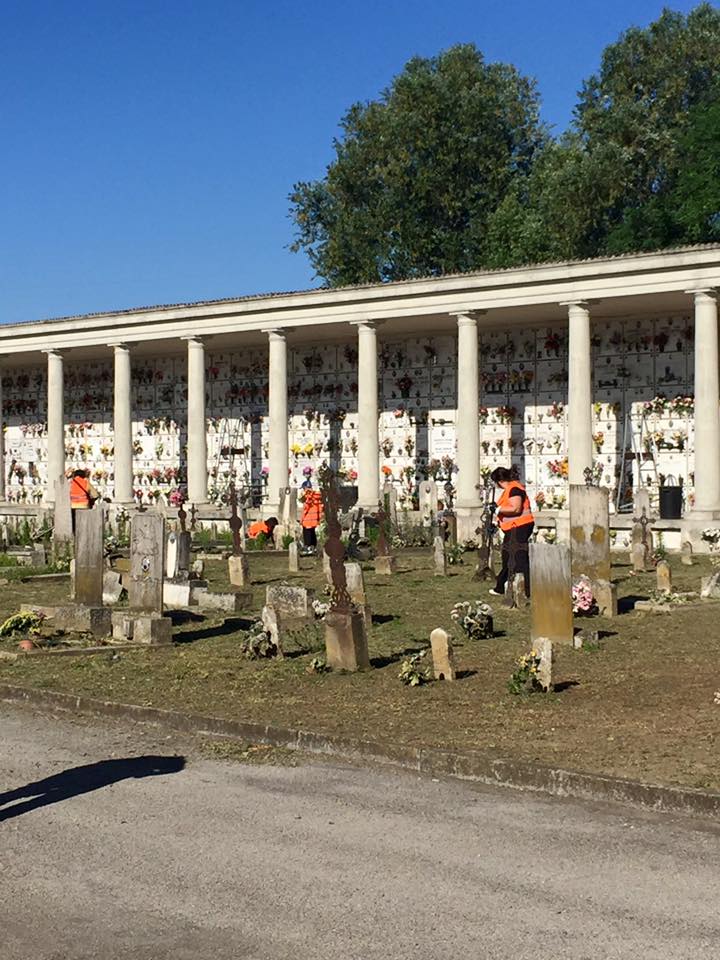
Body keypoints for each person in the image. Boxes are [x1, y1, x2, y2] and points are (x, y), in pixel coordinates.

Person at [488, 466, 535, 597]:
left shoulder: (515, 489)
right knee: (508, 556)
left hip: (520, 526)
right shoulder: (510, 489)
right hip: (515, 527)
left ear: (499, 480)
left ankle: (525, 589)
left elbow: (515, 508)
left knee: (518, 557)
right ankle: (502, 586)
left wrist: (498, 510)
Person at [299, 480, 323, 553]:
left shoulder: (307, 496)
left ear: (305, 488)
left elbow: (305, 508)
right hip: (314, 518)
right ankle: (313, 547)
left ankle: (308, 547)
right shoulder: (317, 496)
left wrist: (302, 519)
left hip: (307, 519)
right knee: (312, 532)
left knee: (307, 533)